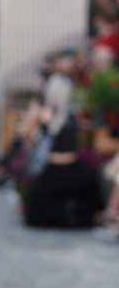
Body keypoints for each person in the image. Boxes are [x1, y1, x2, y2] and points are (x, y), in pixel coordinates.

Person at [24, 73, 103, 229]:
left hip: (57, 169)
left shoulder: (59, 113)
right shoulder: (64, 115)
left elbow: (25, 135)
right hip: (69, 169)